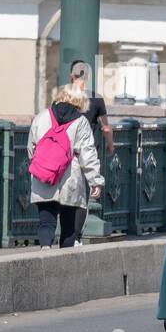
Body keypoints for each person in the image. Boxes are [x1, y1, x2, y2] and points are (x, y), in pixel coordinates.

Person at [26, 83, 104, 248]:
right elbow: (87, 153)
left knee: (46, 220)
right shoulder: (81, 122)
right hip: (70, 176)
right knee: (69, 225)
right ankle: (65, 257)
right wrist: (95, 180)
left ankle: (45, 248)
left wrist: (40, 165)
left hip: (44, 175)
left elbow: (31, 148)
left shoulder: (41, 117)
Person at [69, 60, 113, 232]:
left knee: (66, 194)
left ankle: (61, 232)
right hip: (88, 152)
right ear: (87, 77)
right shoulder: (96, 99)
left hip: (66, 152)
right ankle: (77, 235)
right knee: (84, 196)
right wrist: (110, 146)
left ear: (71, 76)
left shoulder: (62, 98)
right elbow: (106, 128)